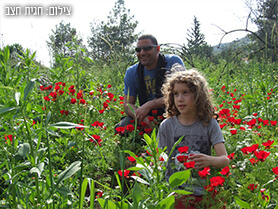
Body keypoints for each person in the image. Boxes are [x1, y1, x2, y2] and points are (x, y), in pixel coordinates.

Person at [157, 64, 230, 208]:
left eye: (185, 92)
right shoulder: (167, 126)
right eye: (176, 94)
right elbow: (159, 160)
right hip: (176, 191)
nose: (180, 99)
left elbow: (225, 160)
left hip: (204, 191)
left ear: (198, 96)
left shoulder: (209, 124)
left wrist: (209, 160)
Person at [116, 34, 185, 130]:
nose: (142, 53)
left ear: (157, 49)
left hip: (173, 111)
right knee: (122, 127)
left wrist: (150, 105)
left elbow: (181, 94)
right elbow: (127, 105)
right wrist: (142, 117)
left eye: (147, 48)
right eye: (138, 50)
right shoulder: (132, 72)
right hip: (147, 116)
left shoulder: (173, 62)